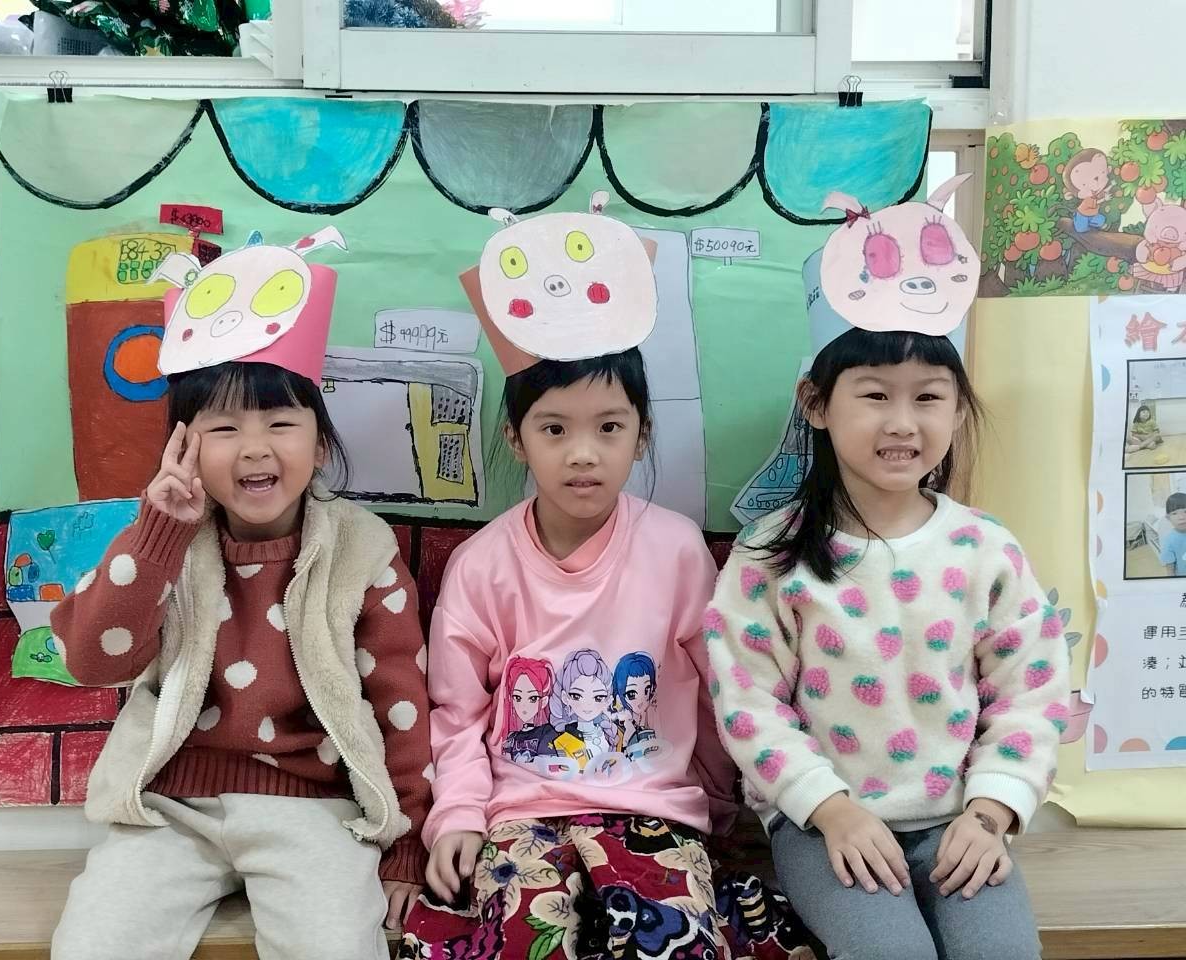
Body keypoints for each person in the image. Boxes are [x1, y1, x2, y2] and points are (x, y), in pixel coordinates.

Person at [402, 198, 807, 960]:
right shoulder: (481, 564)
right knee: (523, 939)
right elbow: (456, 715)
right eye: (555, 429)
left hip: (655, 811)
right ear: (516, 438)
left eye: (609, 428)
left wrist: (717, 810)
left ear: (642, 434)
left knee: (673, 943)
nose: (583, 453)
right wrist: (457, 814)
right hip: (520, 816)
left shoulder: (678, 551)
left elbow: (720, 692)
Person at [50, 229, 431, 960]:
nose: (256, 447)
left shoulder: (363, 550)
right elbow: (93, 660)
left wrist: (407, 840)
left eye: (281, 424)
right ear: (185, 447)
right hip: (168, 807)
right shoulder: (163, 539)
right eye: (224, 428)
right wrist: (159, 532)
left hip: (315, 810)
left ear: (321, 444)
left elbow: (401, 703)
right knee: (92, 946)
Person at [707, 194, 1068, 960]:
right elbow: (747, 703)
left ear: (958, 410)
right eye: (874, 394)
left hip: (959, 821)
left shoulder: (985, 550)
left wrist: (992, 814)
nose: (903, 422)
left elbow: (1031, 696)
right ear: (817, 404)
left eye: (928, 397)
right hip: (824, 824)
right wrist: (830, 809)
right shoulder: (771, 554)